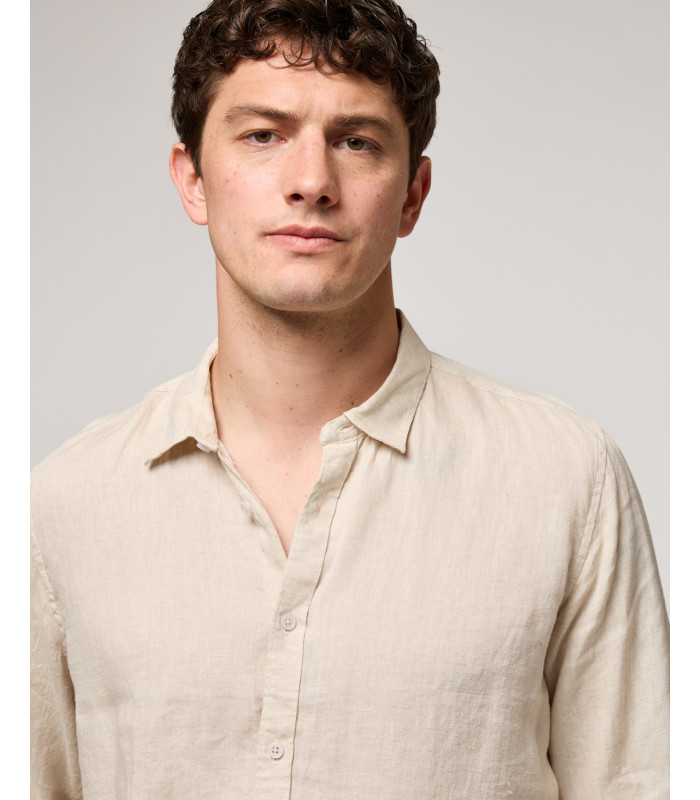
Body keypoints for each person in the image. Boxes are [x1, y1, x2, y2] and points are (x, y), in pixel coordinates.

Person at [30, 0, 669, 798]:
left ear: (412, 195)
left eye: (356, 141)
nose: (311, 183)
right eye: (263, 135)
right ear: (192, 180)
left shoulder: (565, 480)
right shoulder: (65, 505)